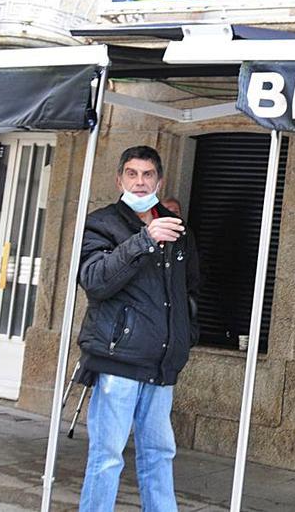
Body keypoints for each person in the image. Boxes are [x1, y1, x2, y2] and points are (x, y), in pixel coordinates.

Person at [76, 146, 200, 511]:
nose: (140, 182)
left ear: (159, 180)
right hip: (119, 361)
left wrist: (185, 337)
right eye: (132, 174)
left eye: (147, 175)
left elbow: (190, 289)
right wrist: (144, 240)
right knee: (108, 455)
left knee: (160, 454)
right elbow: (94, 280)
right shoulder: (103, 223)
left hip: (162, 363)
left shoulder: (178, 229)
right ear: (120, 179)